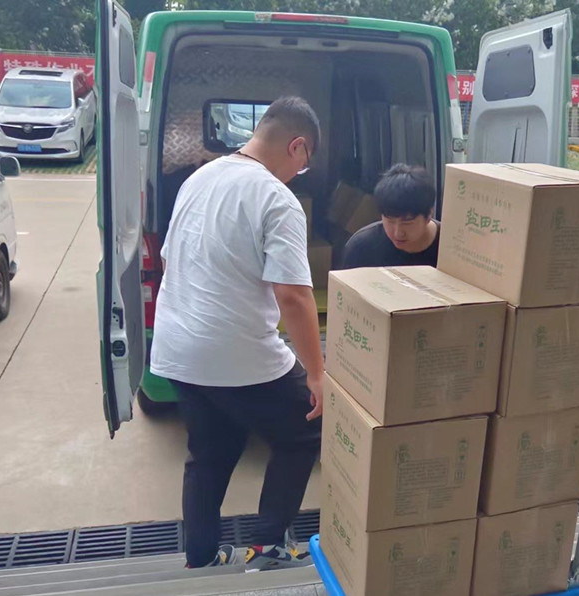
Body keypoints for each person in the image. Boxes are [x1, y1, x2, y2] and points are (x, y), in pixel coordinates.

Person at [150, 96, 324, 571]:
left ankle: (202, 557)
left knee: (211, 451)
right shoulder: (277, 199)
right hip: (234, 351)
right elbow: (294, 296)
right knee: (304, 429)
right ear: (297, 146)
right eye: (305, 162)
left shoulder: (198, 178)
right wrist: (316, 374)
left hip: (177, 348)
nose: (300, 173)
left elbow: (168, 260)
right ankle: (269, 548)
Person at [340, 164, 440, 269]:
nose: (398, 233)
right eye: (390, 220)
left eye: (407, 222)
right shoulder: (362, 247)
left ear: (429, 214)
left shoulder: (447, 247)